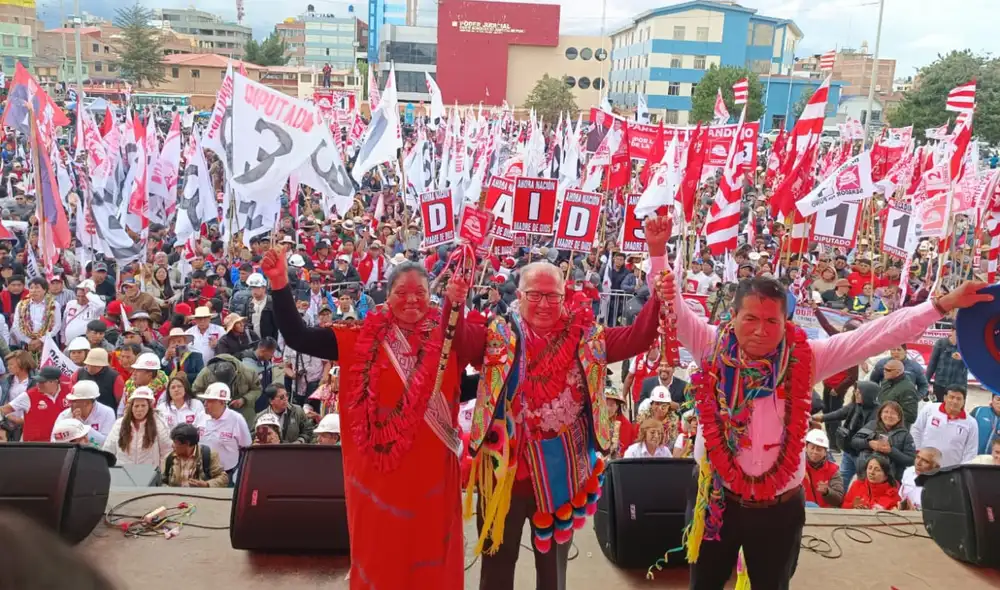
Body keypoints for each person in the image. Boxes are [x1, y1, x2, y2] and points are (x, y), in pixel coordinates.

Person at [658, 220, 989, 590]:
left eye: (772, 320)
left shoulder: (809, 357)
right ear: (732, 317)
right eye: (750, 318)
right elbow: (673, 308)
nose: (760, 330)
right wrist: (658, 254)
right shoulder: (709, 347)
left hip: (779, 509)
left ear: (786, 322)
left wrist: (940, 304)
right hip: (715, 499)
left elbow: (874, 335)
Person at [466, 223, 666, 590]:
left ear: (565, 295)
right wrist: (452, 298)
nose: (544, 304)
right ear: (520, 296)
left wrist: (657, 279)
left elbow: (640, 336)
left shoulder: (589, 337)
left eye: (553, 296)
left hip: (560, 476)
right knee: (495, 566)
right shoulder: (495, 333)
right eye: (535, 295)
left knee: (553, 573)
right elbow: (457, 340)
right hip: (503, 474)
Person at [265, 248, 477, 590]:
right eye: (402, 293)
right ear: (387, 296)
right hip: (378, 476)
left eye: (420, 293)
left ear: (432, 297)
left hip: (433, 473)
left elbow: (459, 388)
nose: (412, 301)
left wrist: (502, 379)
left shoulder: (448, 340)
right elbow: (298, 336)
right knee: (381, 552)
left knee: (432, 553)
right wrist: (279, 282)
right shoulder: (358, 338)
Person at [910, 386, 979, 468]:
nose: (955, 401)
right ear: (945, 398)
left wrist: (961, 470)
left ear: (964, 401)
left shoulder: (971, 423)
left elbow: (971, 451)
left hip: (950, 470)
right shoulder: (930, 409)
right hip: (924, 465)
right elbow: (916, 430)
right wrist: (918, 452)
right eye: (951, 397)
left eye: (959, 399)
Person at [196, 382, 252, 483]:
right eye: (205, 400)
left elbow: (246, 446)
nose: (205, 404)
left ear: (222, 402)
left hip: (227, 473)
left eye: (210, 401)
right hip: (201, 472)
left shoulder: (237, 419)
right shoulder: (201, 416)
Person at [102, 387, 172, 466]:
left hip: (149, 474)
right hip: (123, 473)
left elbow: (166, 452)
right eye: (136, 406)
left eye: (143, 405)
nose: (139, 409)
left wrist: (161, 474)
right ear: (131, 407)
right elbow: (108, 450)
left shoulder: (159, 424)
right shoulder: (119, 424)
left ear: (149, 407)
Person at [0, 366, 71, 442]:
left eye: (42, 382)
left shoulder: (69, 390)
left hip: (62, 444)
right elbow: (3, 410)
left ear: (54, 382)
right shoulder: (29, 395)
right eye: (38, 381)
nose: (38, 384)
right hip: (34, 446)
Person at [851, 401, 916, 482]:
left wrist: (891, 451)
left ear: (899, 418)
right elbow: (854, 441)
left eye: (893, 413)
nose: (889, 415)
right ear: (880, 414)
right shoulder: (871, 425)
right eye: (886, 412)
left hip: (891, 480)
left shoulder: (905, 435)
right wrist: (869, 444)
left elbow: (911, 460)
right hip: (865, 475)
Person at [192, 353, 262, 429]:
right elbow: (195, 391)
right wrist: (212, 400)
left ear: (236, 372)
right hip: (215, 414)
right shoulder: (205, 373)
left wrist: (244, 400)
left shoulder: (248, 372)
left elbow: (257, 389)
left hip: (243, 412)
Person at [161, 423, 229, 488]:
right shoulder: (170, 458)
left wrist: (207, 484)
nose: (172, 445)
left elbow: (223, 478)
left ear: (187, 443)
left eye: (175, 443)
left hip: (200, 498)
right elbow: (162, 481)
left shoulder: (208, 455)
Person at [55, 381, 115, 446]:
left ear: (86, 402)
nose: (70, 404)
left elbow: (107, 444)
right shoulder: (64, 415)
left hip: (97, 455)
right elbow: (55, 443)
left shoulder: (107, 413)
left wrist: (81, 427)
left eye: (74, 401)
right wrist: (71, 427)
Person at [802, 429, 844, 508]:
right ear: (806, 448)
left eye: (819, 449)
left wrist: (827, 492)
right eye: (812, 448)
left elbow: (838, 499)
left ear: (825, 452)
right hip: (801, 510)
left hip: (825, 514)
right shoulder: (798, 467)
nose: (815, 452)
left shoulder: (833, 470)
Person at [925, 328, 967, 403]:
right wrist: (925, 382)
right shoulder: (941, 343)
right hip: (940, 384)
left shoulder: (967, 346)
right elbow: (932, 363)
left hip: (959, 387)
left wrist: (963, 359)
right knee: (937, 409)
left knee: (956, 412)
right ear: (952, 330)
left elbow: (973, 366)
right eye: (958, 332)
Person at [877, 360, 920, 427]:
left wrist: (890, 414)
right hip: (882, 424)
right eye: (884, 368)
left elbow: (911, 416)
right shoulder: (886, 381)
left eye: (888, 370)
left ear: (898, 372)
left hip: (897, 429)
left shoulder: (908, 389)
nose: (884, 371)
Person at [605, 388, 634, 459]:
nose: (608, 408)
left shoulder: (625, 425)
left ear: (617, 407)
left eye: (611, 405)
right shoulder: (595, 421)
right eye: (605, 404)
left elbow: (624, 450)